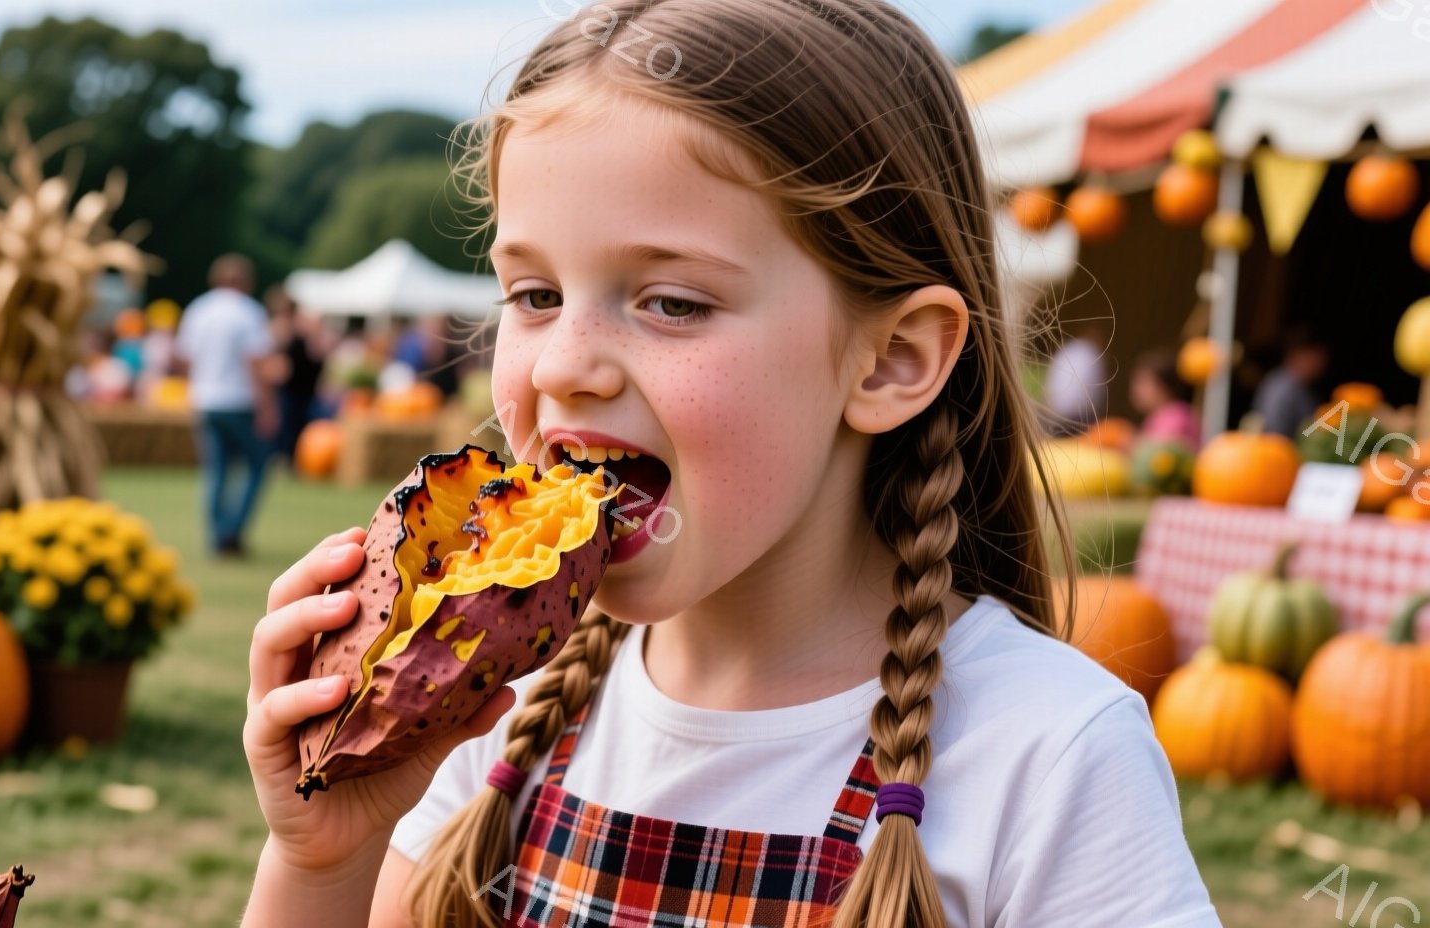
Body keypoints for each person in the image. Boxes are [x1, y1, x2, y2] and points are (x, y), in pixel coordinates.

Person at [241, 4, 1220, 928]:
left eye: (670, 302)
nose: (563, 366)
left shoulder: (1046, 752)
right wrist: (320, 859)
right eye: (533, 293)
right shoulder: (490, 714)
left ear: (891, 360)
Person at [175, 254, 283, 558]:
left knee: (216, 470)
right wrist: (268, 406)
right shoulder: (248, 312)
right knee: (257, 465)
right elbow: (256, 363)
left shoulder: (199, 310)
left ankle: (216, 534)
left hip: (206, 400)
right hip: (239, 401)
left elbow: (185, 358)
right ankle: (232, 531)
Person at [265, 284, 329, 465]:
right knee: (287, 426)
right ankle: (285, 458)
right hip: (291, 387)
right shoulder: (281, 329)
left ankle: (291, 458)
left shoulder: (298, 329)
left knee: (295, 426)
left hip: (300, 387)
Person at [1252, 326, 1328, 438]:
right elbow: (1274, 432)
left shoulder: (1300, 386)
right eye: (1318, 357)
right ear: (1299, 353)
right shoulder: (1281, 387)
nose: (1321, 365)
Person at [1042, 318, 1110, 436]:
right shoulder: (1092, 352)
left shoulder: (1067, 349)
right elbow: (1097, 389)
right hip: (1081, 415)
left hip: (1057, 411)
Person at [1131, 348, 1202, 450]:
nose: (1136, 389)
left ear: (1165, 386)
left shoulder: (1177, 415)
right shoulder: (1158, 416)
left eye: (1144, 383)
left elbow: (1160, 454)